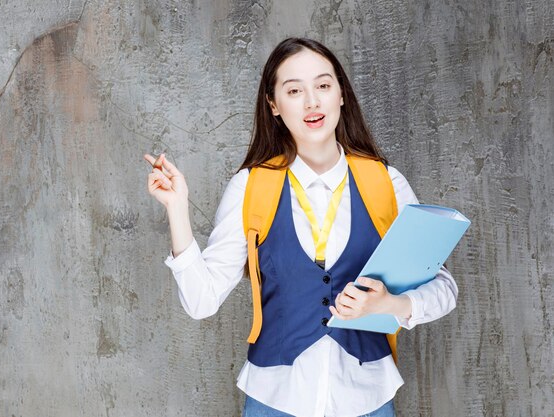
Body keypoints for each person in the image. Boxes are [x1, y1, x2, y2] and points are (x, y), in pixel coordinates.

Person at [144, 38, 457, 417]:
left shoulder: (385, 182)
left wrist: (390, 304)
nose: (312, 102)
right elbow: (201, 301)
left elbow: (442, 287)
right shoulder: (251, 186)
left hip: (368, 397)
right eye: (294, 90)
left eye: (323, 86)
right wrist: (177, 209)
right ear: (274, 105)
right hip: (274, 399)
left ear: (341, 94)